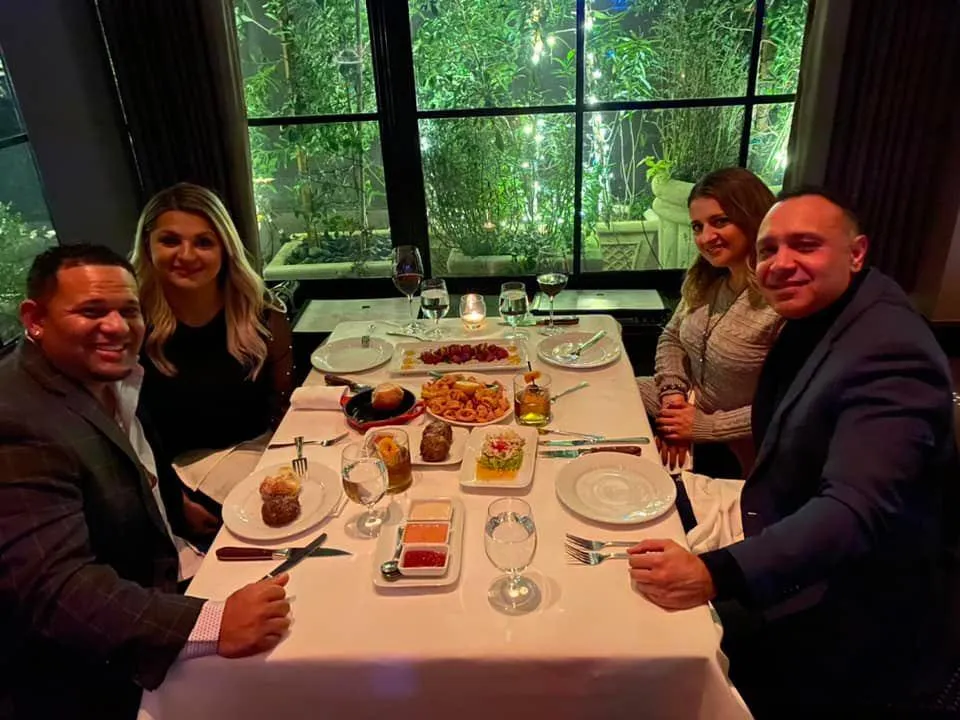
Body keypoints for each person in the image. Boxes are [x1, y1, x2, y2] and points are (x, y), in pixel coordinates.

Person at [626, 189, 958, 715]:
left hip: (855, 610)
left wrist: (715, 573)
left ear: (856, 252)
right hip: (792, 543)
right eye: (769, 249)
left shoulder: (889, 351)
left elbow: (854, 510)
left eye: (805, 245)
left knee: (664, 645)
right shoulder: (829, 309)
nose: (781, 263)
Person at [0, 244, 292, 720]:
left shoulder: (110, 374)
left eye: (128, 310)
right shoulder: (15, 419)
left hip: (169, 570)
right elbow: (55, 591)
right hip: (94, 673)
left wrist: (175, 508)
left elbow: (129, 467)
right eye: (91, 311)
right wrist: (210, 622)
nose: (117, 326)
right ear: (35, 319)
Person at [131, 183, 293, 506]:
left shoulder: (261, 313)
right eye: (170, 241)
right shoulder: (130, 323)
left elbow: (284, 405)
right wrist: (173, 500)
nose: (186, 255)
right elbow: (127, 433)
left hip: (263, 462)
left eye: (204, 242)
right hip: (176, 480)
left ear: (225, 249)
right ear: (148, 245)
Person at [637, 167, 782, 478]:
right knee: (611, 392)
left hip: (738, 444)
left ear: (754, 219)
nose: (705, 238)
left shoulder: (781, 301)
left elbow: (787, 404)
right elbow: (671, 338)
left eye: (720, 221)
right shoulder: (706, 280)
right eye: (697, 226)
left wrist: (702, 427)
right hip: (686, 406)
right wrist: (673, 401)